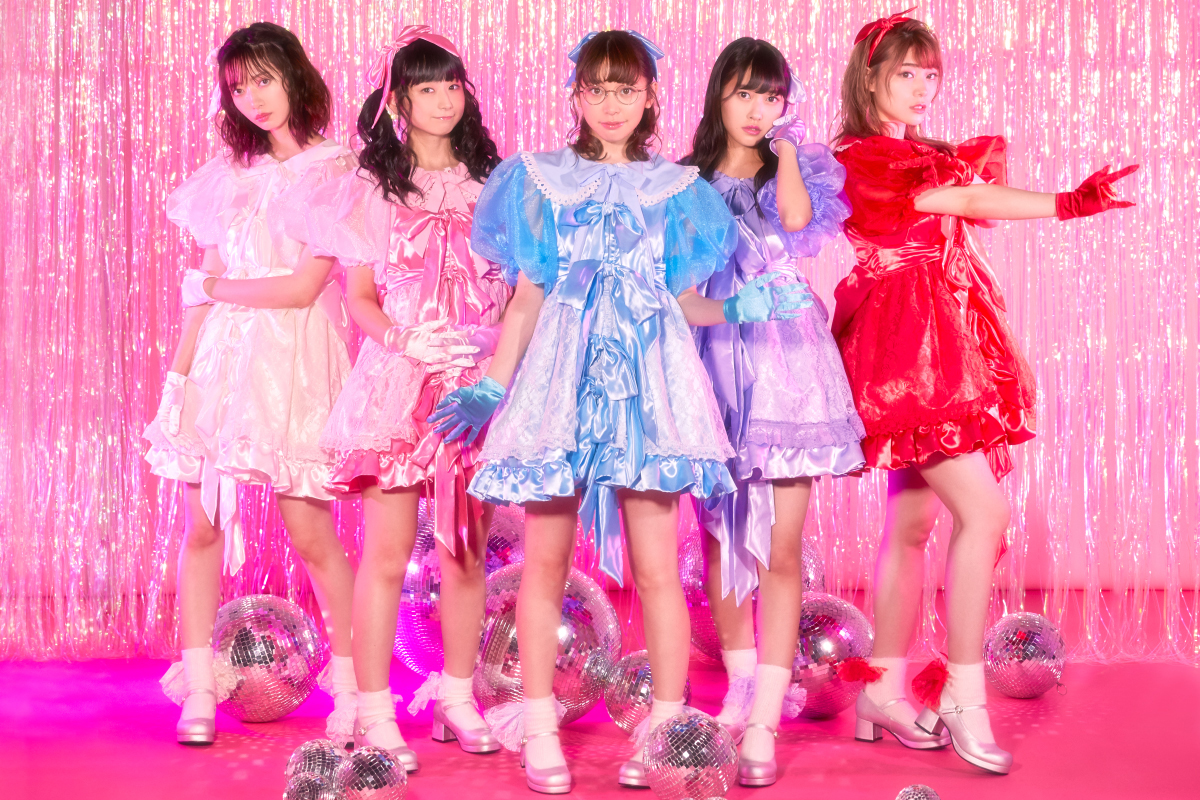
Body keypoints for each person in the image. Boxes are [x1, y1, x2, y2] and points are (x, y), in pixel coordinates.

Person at [429, 30, 807, 795]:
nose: (611, 104)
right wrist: (495, 386)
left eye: (625, 89)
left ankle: (668, 732)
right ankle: (540, 730)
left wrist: (740, 306)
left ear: (649, 96)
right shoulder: (541, 179)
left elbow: (684, 299)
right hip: (563, 380)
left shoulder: (678, 190)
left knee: (657, 567)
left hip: (649, 382)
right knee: (545, 563)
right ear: (576, 96)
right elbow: (527, 294)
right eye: (597, 89)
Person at [831, 9, 1137, 775]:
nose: (922, 88)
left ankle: (882, 692)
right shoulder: (859, 158)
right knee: (986, 513)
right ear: (869, 79)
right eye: (906, 73)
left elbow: (960, 221)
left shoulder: (920, 155)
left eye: (930, 74)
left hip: (938, 342)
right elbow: (966, 204)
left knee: (910, 525)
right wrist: (1066, 203)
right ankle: (964, 696)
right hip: (905, 351)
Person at [146, 22, 358, 746]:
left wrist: (216, 287)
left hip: (294, 361)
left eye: (264, 79)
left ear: (295, 76)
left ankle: (354, 689)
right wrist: (179, 376)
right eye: (239, 88)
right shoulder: (228, 174)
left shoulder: (336, 171)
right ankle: (200, 687)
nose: (254, 99)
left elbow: (302, 288)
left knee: (311, 530)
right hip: (222, 362)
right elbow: (198, 290)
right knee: (203, 524)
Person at [305, 26, 507, 772]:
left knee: (465, 549)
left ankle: (457, 696)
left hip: (470, 383)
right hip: (398, 380)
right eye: (427, 87)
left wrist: (487, 345)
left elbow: (520, 289)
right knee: (386, 554)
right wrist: (403, 340)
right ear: (398, 102)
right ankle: (373, 707)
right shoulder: (373, 191)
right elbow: (359, 297)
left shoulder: (495, 186)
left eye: (452, 84)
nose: (444, 99)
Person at [684, 37, 862, 787]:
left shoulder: (793, 169)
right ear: (718, 95)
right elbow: (674, 287)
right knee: (719, 534)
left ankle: (765, 716)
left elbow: (793, 219)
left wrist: (786, 153)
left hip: (787, 364)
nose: (758, 109)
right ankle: (741, 685)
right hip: (710, 359)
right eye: (745, 93)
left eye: (771, 95)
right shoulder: (684, 183)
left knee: (782, 547)